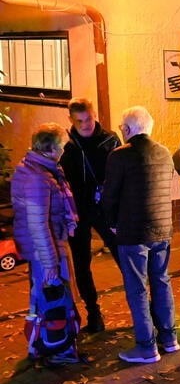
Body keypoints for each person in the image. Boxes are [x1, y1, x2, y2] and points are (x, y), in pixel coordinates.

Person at [102, 106, 178, 364]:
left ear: (129, 129)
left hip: (133, 230)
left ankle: (147, 346)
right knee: (161, 281)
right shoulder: (165, 152)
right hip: (163, 227)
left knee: (137, 288)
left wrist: (112, 223)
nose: (121, 131)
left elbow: (110, 194)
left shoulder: (119, 156)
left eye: (123, 127)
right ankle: (169, 339)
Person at [11, 124, 80, 364]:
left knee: (42, 298)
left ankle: (42, 345)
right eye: (61, 147)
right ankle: (57, 347)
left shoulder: (38, 168)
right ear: (50, 148)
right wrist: (50, 261)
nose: (63, 151)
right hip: (46, 249)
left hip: (46, 245)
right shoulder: (37, 177)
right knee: (52, 300)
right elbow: (39, 224)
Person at [59, 98, 121, 333]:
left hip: (106, 209)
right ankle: (93, 313)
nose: (86, 124)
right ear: (71, 120)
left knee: (123, 256)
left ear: (95, 114)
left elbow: (121, 172)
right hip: (80, 212)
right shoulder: (68, 146)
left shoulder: (110, 140)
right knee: (82, 263)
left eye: (89, 118)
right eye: (80, 120)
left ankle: (141, 306)